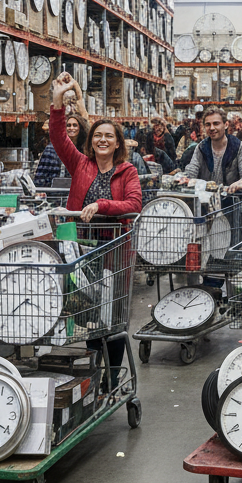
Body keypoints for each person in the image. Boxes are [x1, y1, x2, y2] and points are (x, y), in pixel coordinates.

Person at [50, 74, 143, 382]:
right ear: (91, 141)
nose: (102, 140)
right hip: (84, 251)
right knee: (91, 314)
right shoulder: (80, 164)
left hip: (115, 253)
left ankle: (112, 376)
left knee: (113, 317)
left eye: (109, 136)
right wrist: (58, 102)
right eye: (98, 135)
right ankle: (94, 372)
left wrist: (102, 206)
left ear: (118, 143)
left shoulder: (128, 171)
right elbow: (58, 137)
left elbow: (134, 204)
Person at [178, 107, 242, 194]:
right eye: (208, 124)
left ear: (226, 125)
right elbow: (192, 170)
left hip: (231, 200)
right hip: (205, 201)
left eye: (216, 123)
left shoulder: (239, 147)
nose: (211, 128)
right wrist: (185, 178)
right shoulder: (201, 147)